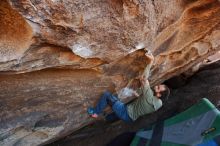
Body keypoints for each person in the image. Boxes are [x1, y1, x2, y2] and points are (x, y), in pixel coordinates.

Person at [87, 52, 170, 122]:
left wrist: (151, 61)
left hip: (125, 112)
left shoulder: (149, 97)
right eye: (159, 85)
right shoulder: (158, 103)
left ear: (159, 95)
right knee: (115, 110)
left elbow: (144, 79)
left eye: (159, 88)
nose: (157, 86)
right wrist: (138, 94)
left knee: (106, 96)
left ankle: (95, 112)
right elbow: (142, 95)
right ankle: (106, 118)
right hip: (131, 118)